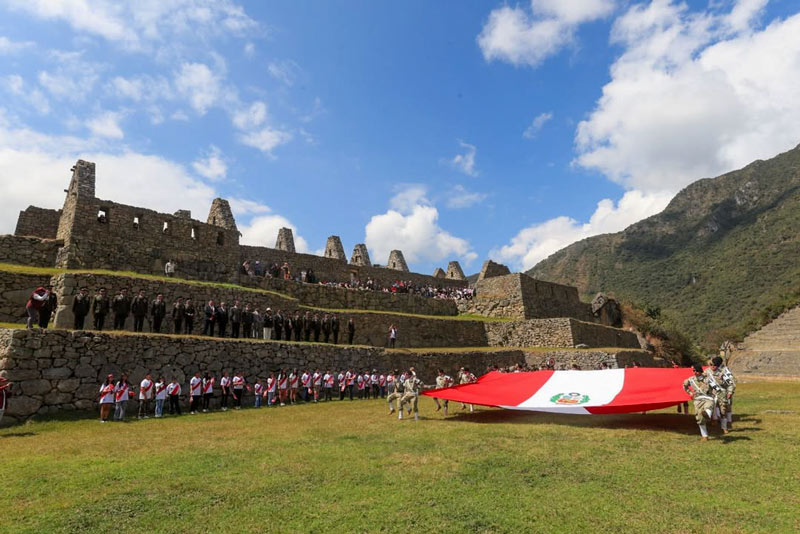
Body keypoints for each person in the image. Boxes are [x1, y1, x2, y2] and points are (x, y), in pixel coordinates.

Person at [683, 364, 717, 441]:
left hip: (708, 398)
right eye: (693, 371)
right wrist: (690, 393)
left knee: (708, 407)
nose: (694, 372)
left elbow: (716, 387)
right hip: (698, 400)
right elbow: (684, 385)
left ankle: (708, 415)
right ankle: (705, 436)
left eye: (696, 370)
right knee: (699, 418)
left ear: (700, 370)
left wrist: (713, 395)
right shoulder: (690, 380)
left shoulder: (708, 379)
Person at [707, 356, 736, 432]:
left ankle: (724, 427)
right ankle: (714, 420)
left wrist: (730, 392)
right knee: (712, 408)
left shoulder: (723, 373)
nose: (712, 366)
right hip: (712, 393)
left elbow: (730, 384)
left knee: (723, 411)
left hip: (722, 393)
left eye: (714, 365)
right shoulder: (707, 372)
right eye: (711, 365)